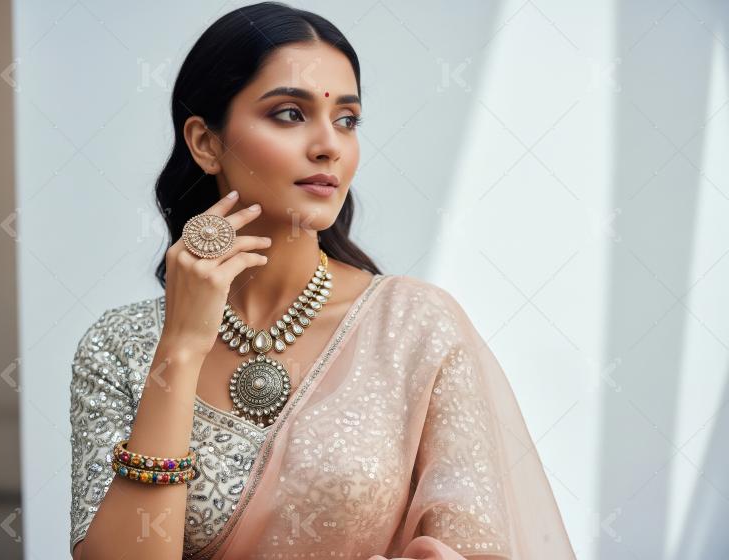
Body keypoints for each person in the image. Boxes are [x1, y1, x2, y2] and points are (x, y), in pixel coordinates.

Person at [69, 2, 576, 558]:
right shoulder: (121, 347)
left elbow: (479, 546)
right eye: (289, 113)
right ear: (205, 142)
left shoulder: (413, 327)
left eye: (347, 120)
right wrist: (182, 348)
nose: (329, 145)